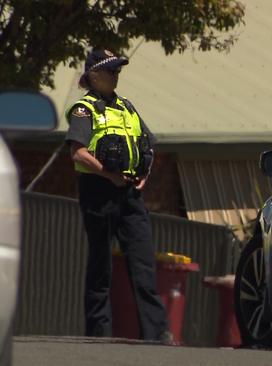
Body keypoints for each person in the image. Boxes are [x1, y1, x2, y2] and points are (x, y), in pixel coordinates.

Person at [65, 48, 171, 343]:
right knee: (101, 264)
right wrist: (107, 173)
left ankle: (156, 331)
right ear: (93, 75)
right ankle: (99, 332)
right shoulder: (84, 109)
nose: (116, 76)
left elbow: (149, 145)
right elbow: (78, 152)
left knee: (143, 261)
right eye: (111, 71)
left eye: (118, 71)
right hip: (98, 192)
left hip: (129, 194)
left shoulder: (126, 107)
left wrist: (144, 175)